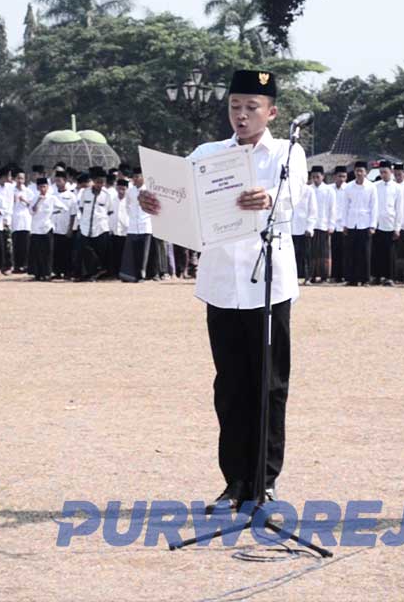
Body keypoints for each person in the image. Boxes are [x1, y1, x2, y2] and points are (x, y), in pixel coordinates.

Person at [138, 68, 305, 511]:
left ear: (272, 112)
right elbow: (180, 204)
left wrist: (269, 199)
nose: (242, 116)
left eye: (252, 108)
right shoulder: (207, 153)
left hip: (269, 285)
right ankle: (234, 481)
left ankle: (264, 480)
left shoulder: (289, 152)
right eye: (235, 107)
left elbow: (294, 199)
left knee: (269, 385)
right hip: (220, 284)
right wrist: (153, 203)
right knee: (230, 386)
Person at [340, 160, 377, 286]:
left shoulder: (371, 187)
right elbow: (344, 206)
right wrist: (344, 224)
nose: (359, 173)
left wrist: (372, 225)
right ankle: (351, 278)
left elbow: (374, 207)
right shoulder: (348, 187)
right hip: (351, 222)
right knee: (351, 252)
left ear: (366, 172)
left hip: (365, 223)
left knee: (365, 253)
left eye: (361, 171)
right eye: (357, 171)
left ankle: (365, 278)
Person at [28, 176, 66, 281]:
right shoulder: (34, 198)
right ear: (37, 188)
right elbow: (31, 212)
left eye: (44, 187)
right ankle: (37, 273)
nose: (42, 189)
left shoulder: (52, 198)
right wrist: (38, 201)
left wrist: (54, 214)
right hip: (36, 228)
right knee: (37, 252)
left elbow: (63, 208)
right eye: (40, 187)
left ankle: (47, 273)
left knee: (47, 252)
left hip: (47, 227)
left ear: (47, 187)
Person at [371, 162, 403, 285]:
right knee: (377, 252)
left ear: (391, 172)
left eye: (385, 172)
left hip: (390, 224)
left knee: (390, 253)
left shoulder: (397, 188)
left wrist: (397, 228)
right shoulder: (375, 186)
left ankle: (389, 277)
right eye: (381, 172)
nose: (383, 174)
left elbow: (399, 209)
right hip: (377, 224)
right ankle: (377, 276)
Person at [308, 166, 335, 284]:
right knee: (312, 252)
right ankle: (312, 275)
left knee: (323, 252)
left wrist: (331, 225)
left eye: (317, 177)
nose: (315, 179)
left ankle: (324, 276)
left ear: (323, 177)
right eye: (313, 177)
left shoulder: (329, 190)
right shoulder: (309, 189)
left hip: (324, 224)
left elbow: (332, 209)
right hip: (312, 225)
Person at [290, 171, 317, 282]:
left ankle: (307, 277)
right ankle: (293, 277)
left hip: (304, 227)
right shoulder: (289, 189)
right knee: (292, 255)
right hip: (291, 227)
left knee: (306, 254)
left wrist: (310, 227)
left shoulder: (309, 190)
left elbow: (313, 211)